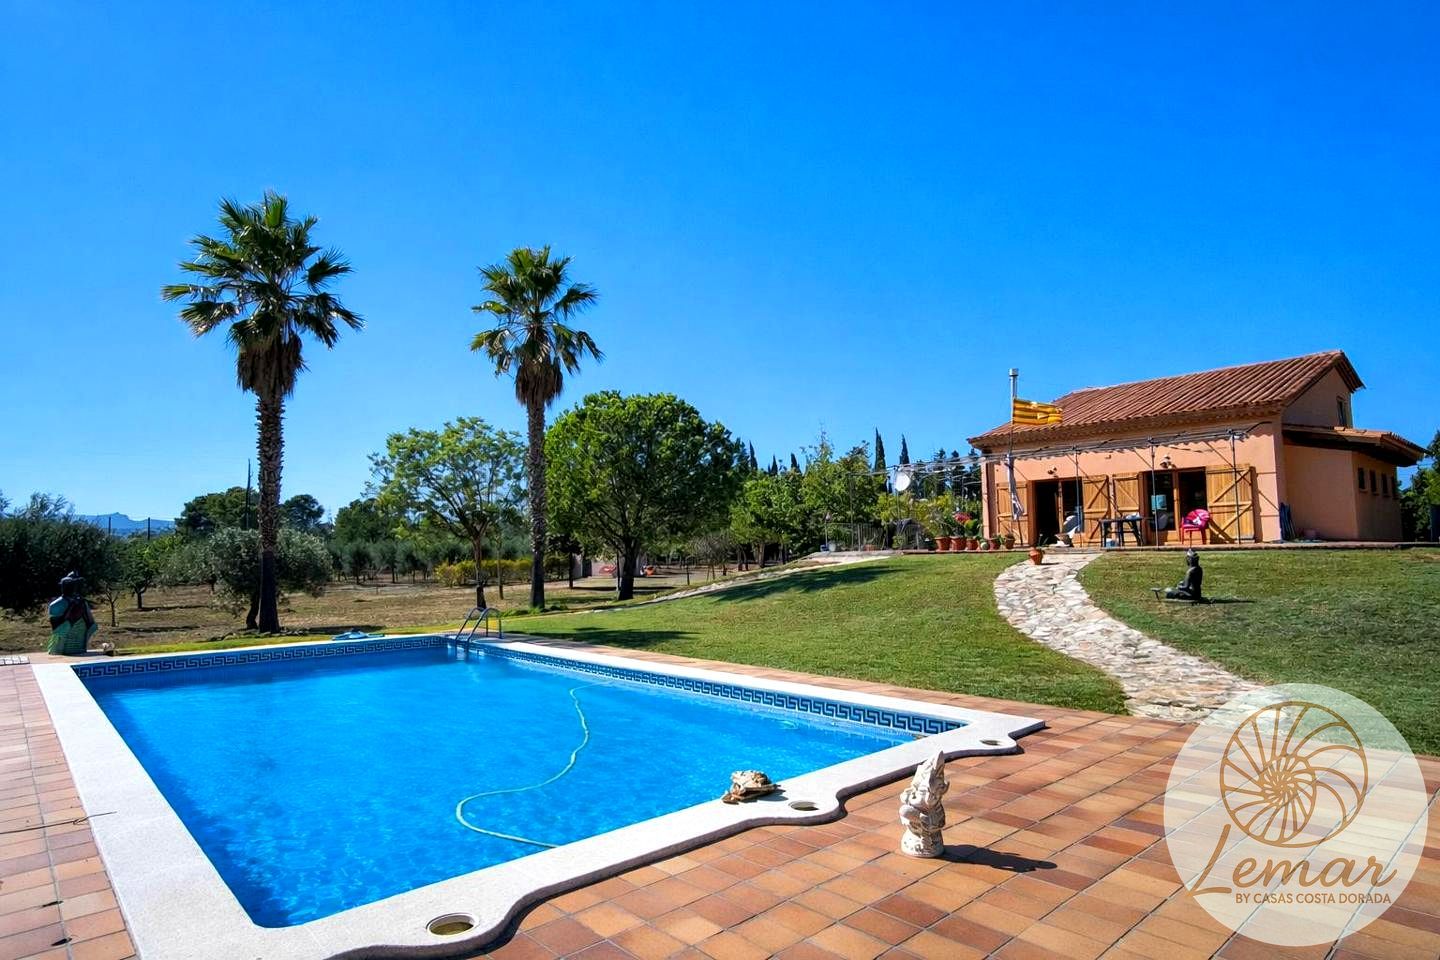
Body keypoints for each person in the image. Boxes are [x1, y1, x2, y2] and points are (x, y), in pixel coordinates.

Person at [47, 571, 98, 655]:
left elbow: (92, 626)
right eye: (69, 585)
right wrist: (72, 616)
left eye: (73, 585)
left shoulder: (82, 603)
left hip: (79, 647)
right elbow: (57, 631)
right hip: (61, 649)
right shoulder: (56, 605)